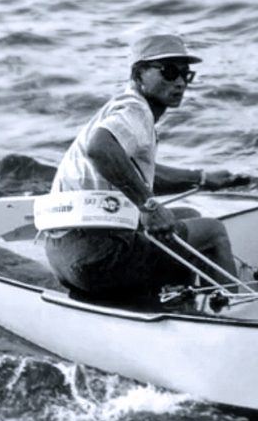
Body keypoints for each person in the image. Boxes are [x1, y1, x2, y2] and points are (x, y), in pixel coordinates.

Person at [44, 33, 246, 306]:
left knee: (189, 216)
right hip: (95, 258)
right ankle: (237, 312)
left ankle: (176, 301)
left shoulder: (120, 109)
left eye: (186, 74)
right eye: (169, 71)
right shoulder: (136, 112)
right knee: (213, 232)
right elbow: (99, 148)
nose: (179, 82)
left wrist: (201, 178)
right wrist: (148, 206)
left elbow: (134, 173)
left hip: (64, 255)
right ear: (138, 74)